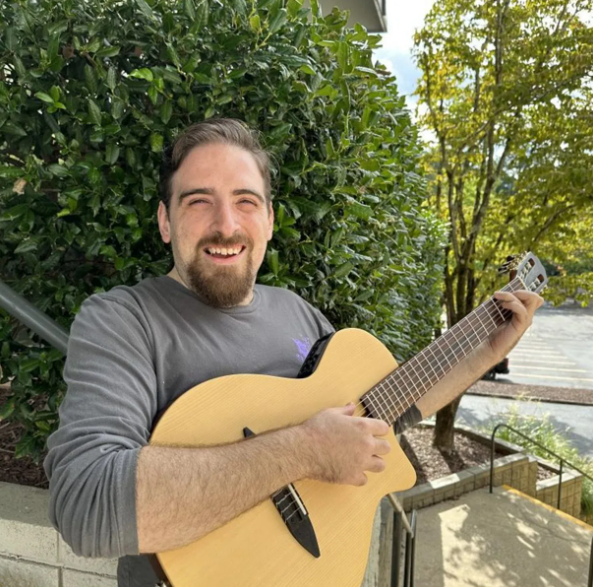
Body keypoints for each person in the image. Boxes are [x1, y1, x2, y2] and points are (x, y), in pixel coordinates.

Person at [43, 118, 544, 587]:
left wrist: (482, 353)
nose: (225, 224)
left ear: (269, 220)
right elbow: (87, 506)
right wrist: (304, 449)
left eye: (245, 201)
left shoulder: (299, 314)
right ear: (165, 221)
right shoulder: (123, 320)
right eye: (198, 201)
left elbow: (383, 415)